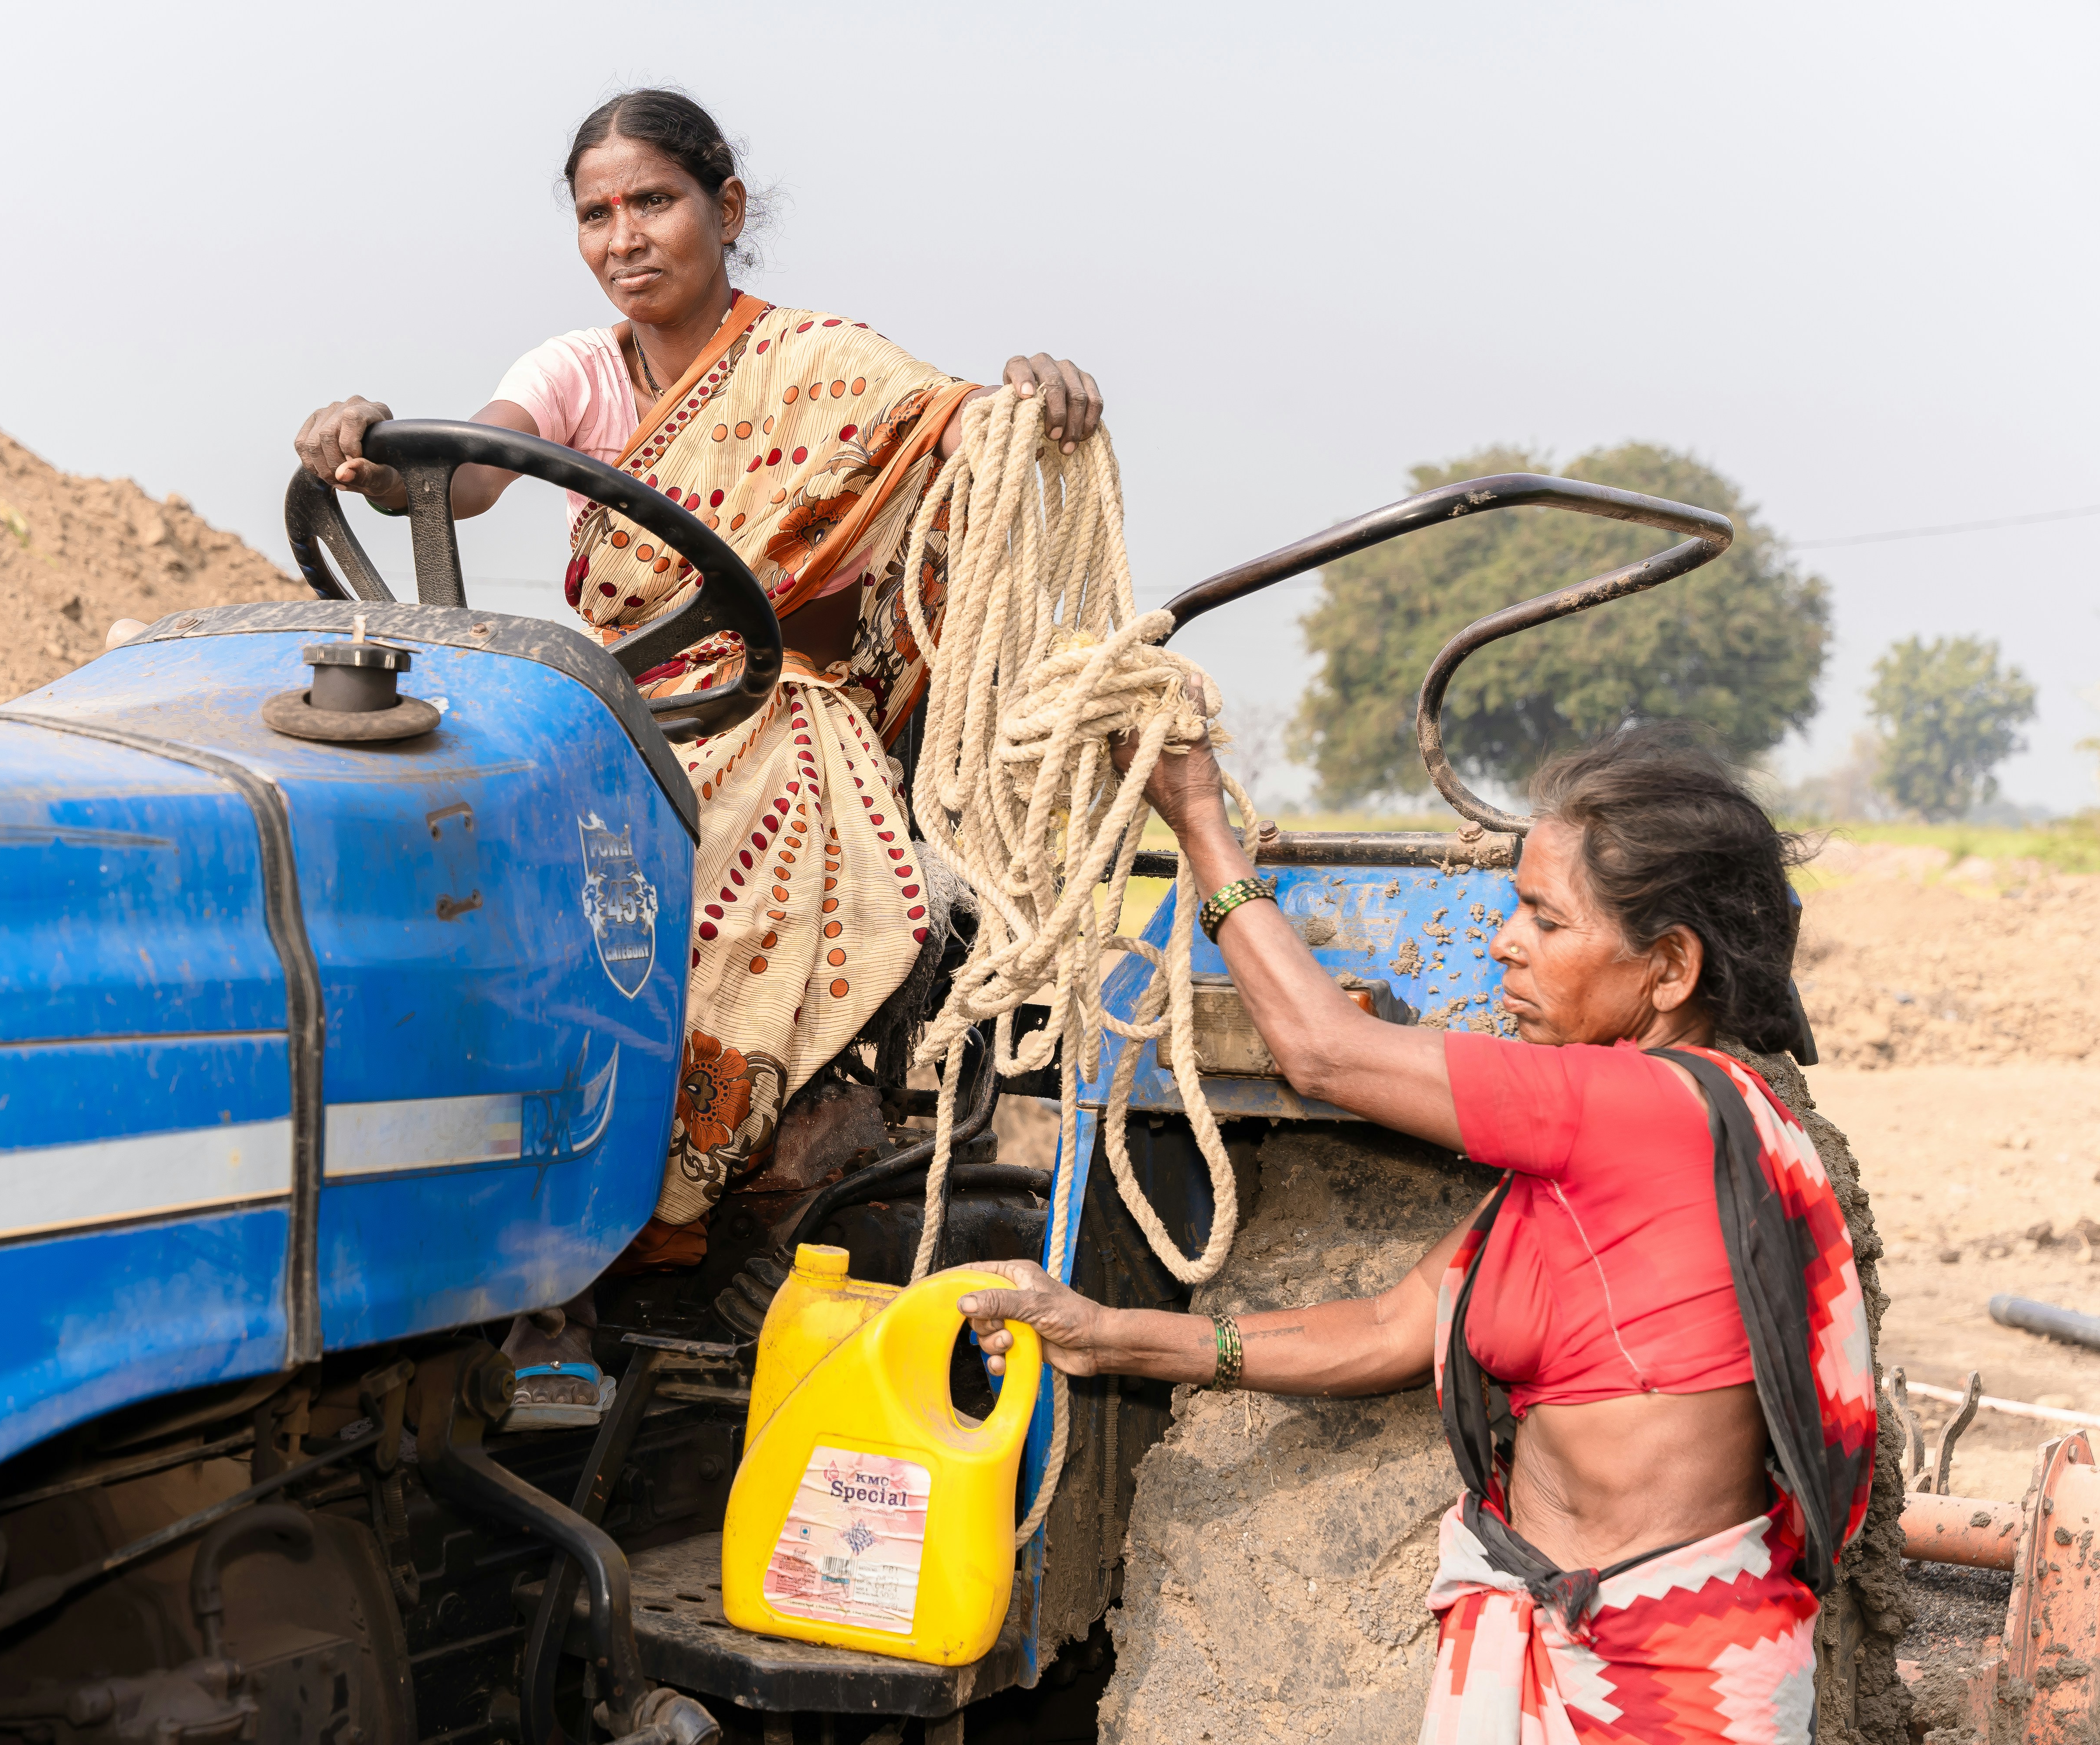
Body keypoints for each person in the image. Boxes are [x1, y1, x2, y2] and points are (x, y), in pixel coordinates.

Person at [292, 88, 1105, 1422]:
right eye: (596, 213)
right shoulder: (575, 373)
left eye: (654, 202)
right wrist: (367, 455)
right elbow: (474, 473)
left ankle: (647, 1206)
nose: (625, 236)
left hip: (783, 703)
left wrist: (1025, 400)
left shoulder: (825, 367)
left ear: (727, 211)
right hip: (619, 697)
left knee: (685, 826)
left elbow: (957, 439)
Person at [960, 725, 1875, 1744]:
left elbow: (1323, 1051)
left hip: (1665, 1681)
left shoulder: (1639, 1108)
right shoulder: (1602, 1154)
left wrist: (1203, 829)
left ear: (1668, 968)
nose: (1503, 942)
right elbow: (1392, 1327)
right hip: (1565, 1635)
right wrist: (1104, 1333)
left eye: (1544, 916)